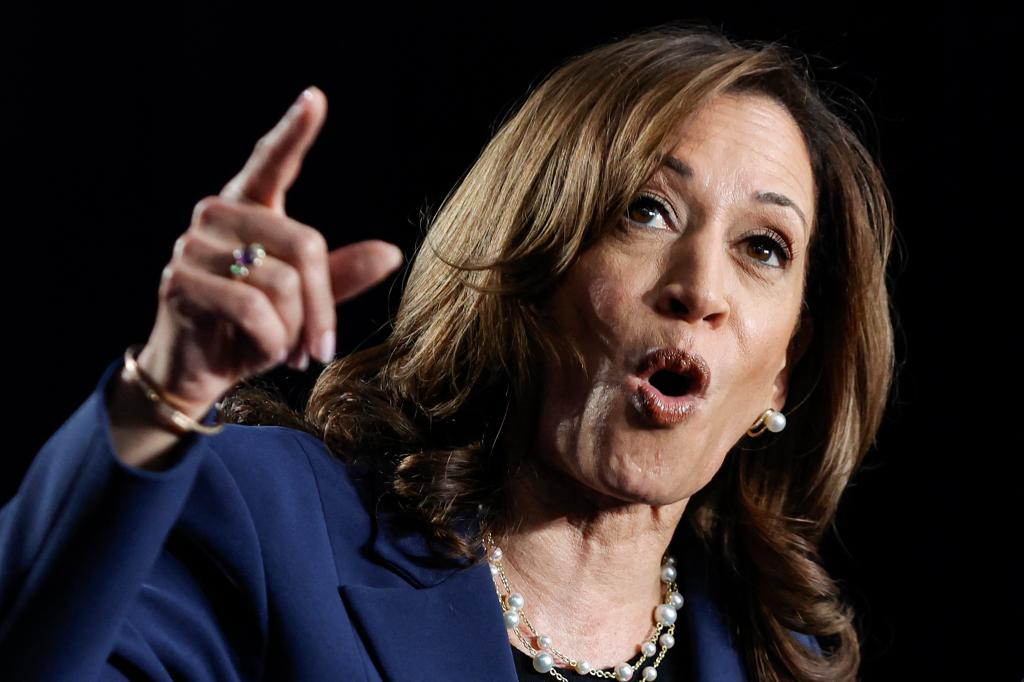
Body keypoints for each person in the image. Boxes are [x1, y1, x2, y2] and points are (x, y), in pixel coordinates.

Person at [0, 21, 896, 682]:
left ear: (784, 368)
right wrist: (166, 383)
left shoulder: (784, 661)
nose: (699, 288)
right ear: (533, 262)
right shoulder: (270, 524)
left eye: (763, 248)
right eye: (645, 210)